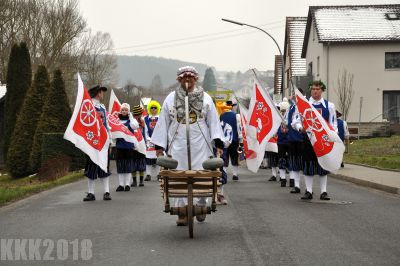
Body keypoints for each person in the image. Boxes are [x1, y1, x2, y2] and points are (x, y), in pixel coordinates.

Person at [151, 66, 225, 226]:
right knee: (178, 176)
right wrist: (159, 145)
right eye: (184, 78)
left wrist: (218, 141)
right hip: (177, 145)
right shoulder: (170, 98)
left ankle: (201, 203)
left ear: (195, 79)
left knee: (202, 174)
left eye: (190, 78)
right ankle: (183, 212)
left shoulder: (205, 98)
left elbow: (213, 121)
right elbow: (163, 121)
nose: (187, 80)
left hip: (200, 144)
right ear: (179, 80)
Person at [292, 80, 337, 200]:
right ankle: (309, 191)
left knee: (323, 166)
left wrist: (333, 137)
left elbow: (334, 124)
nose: (315, 91)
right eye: (313, 89)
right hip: (308, 139)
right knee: (308, 165)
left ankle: (324, 192)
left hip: (323, 140)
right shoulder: (303, 104)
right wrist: (299, 127)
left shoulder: (330, 106)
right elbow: (295, 120)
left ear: (322, 90)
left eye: (317, 89)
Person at [83, 85, 112, 201]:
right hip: (92, 141)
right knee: (91, 167)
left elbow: (106, 125)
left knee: (104, 166)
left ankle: (106, 191)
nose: (103, 94)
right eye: (102, 92)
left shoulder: (102, 107)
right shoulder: (88, 106)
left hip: (103, 141)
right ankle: (91, 192)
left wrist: (109, 140)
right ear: (98, 93)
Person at [115, 103, 139, 192]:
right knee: (120, 166)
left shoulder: (131, 121)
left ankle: (127, 184)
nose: (124, 111)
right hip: (119, 146)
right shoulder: (117, 121)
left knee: (128, 165)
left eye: (126, 110)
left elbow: (135, 126)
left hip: (128, 146)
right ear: (120, 111)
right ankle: (121, 184)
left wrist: (131, 117)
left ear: (128, 111)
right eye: (123, 110)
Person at [286, 89, 305, 194]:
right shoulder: (291, 107)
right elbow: (288, 121)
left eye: (295, 94)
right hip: (292, 138)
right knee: (294, 163)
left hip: (302, 138)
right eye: (292, 94)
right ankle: (296, 185)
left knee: (304, 163)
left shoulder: (304, 105)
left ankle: (308, 188)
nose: (292, 96)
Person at [220, 100, 242, 181]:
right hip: (234, 139)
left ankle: (224, 173)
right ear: (232, 106)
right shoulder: (236, 115)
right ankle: (235, 174)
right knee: (234, 156)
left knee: (225, 156)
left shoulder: (221, 115)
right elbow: (239, 128)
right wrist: (241, 139)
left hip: (224, 140)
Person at [144, 100, 161, 181]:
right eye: (151, 108)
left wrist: (157, 139)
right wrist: (148, 139)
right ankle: (148, 174)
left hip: (158, 140)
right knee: (148, 158)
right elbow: (145, 130)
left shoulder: (160, 118)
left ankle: (158, 174)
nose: (153, 109)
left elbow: (161, 129)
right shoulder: (146, 119)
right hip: (149, 141)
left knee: (157, 158)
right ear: (149, 109)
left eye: (155, 108)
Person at [131, 105, 147, 187]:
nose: (138, 116)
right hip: (133, 145)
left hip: (141, 144)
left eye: (139, 114)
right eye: (136, 114)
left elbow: (145, 133)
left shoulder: (143, 121)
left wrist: (146, 142)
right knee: (133, 163)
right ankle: (134, 181)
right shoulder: (131, 121)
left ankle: (141, 181)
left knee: (141, 163)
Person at [277, 100, 290, 187]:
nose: (283, 112)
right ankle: (283, 178)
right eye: (282, 110)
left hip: (289, 141)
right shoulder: (278, 117)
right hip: (281, 141)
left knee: (290, 160)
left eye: (284, 110)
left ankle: (292, 179)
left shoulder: (290, 116)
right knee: (281, 160)